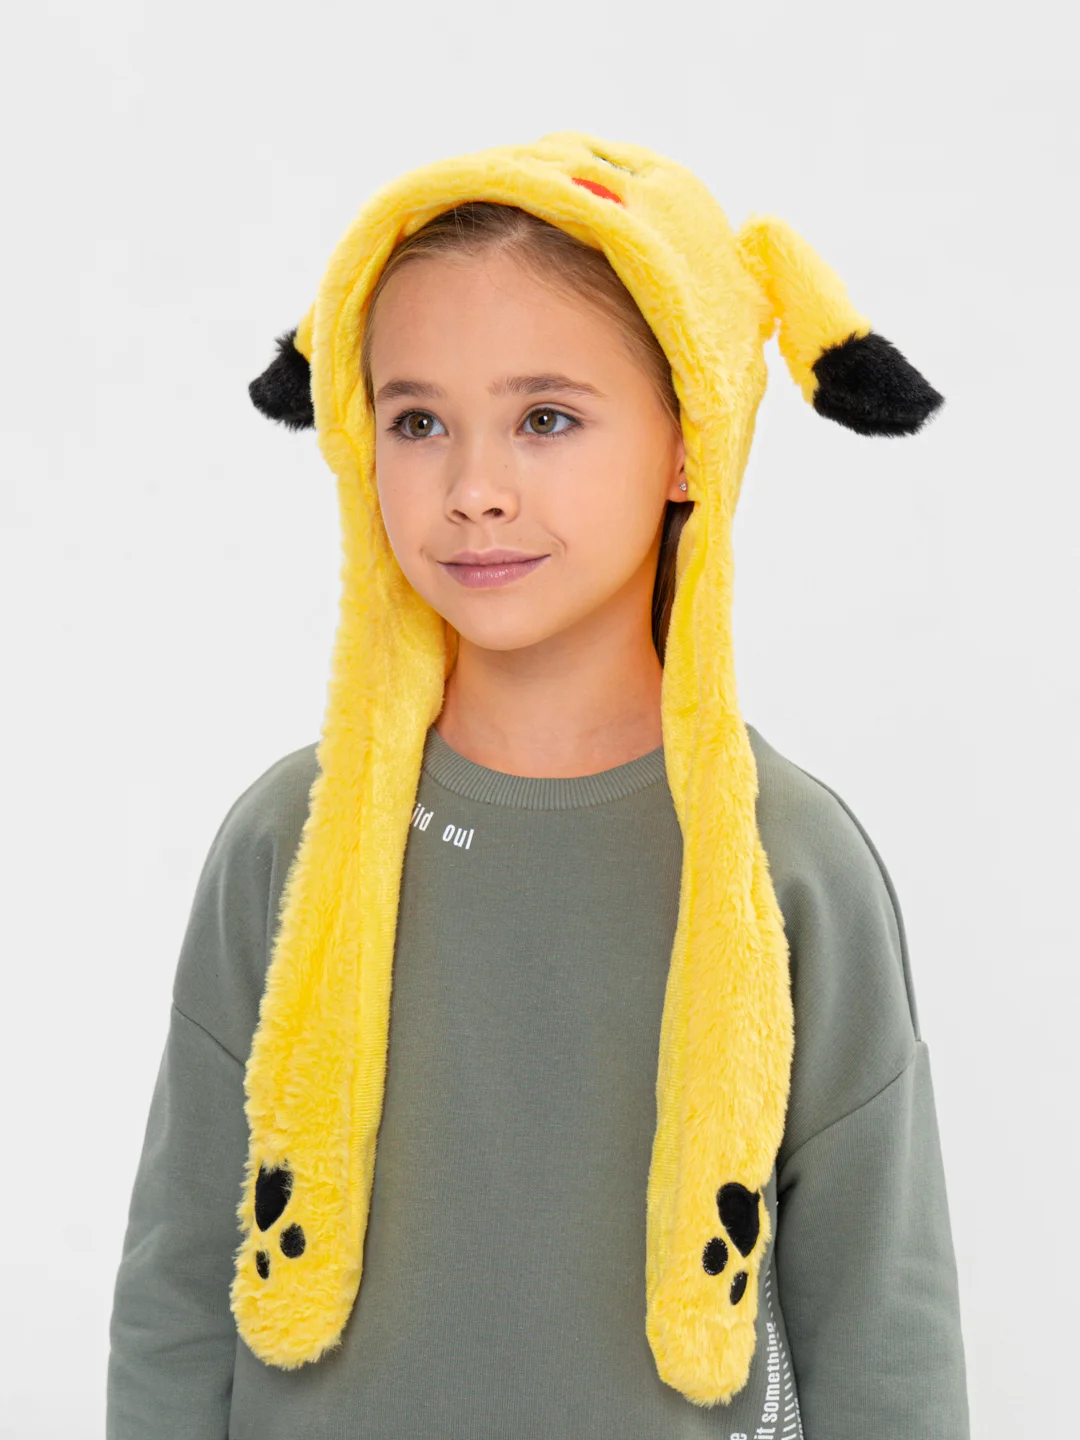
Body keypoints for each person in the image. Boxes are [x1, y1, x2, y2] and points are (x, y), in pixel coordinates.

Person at [106, 131, 970, 1439]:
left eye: (546, 419)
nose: (473, 490)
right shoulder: (292, 836)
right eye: (417, 422)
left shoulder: (784, 860)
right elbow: (176, 1290)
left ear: (690, 441)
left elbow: (884, 1331)